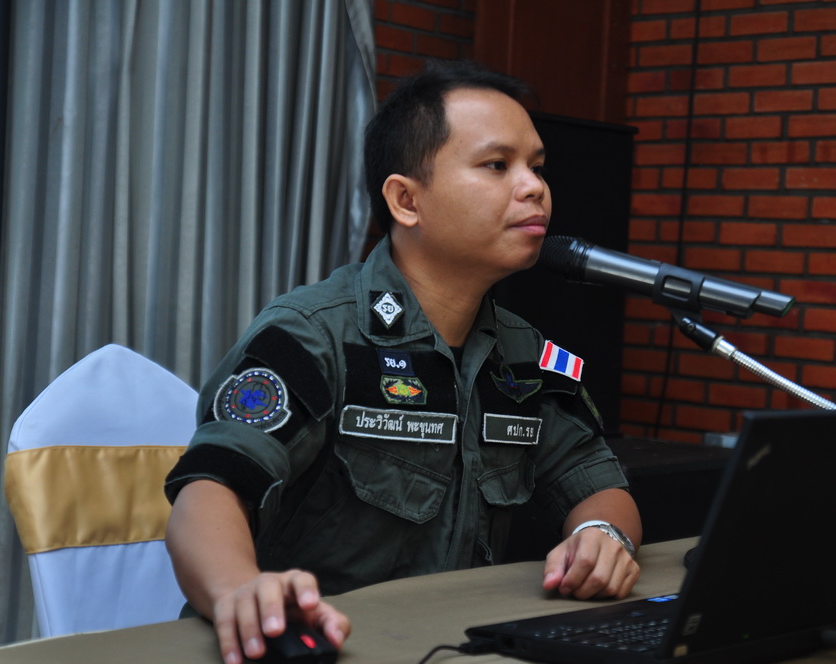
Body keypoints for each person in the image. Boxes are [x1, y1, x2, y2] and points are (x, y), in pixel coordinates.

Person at [164, 60, 642, 664]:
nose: (534, 188)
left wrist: (602, 535)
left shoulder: (524, 352)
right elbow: (211, 488)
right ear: (406, 199)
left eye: (537, 167)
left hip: (450, 647)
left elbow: (598, 484)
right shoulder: (315, 332)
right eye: (497, 165)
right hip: (320, 647)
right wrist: (238, 588)